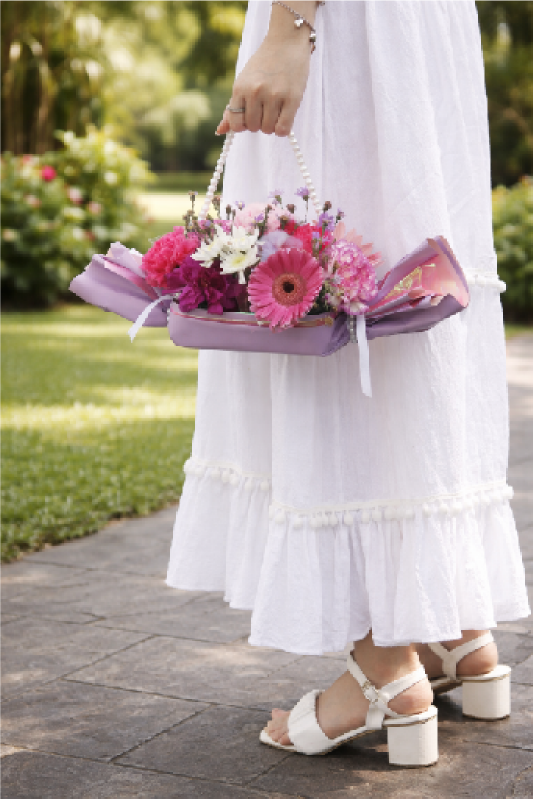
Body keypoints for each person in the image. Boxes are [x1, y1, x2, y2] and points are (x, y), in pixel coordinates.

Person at [167, 0, 530, 764]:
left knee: (340, 291)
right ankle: (456, 635)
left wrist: (288, 28)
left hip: (346, 30)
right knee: (412, 279)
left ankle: (384, 669)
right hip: (421, 30)